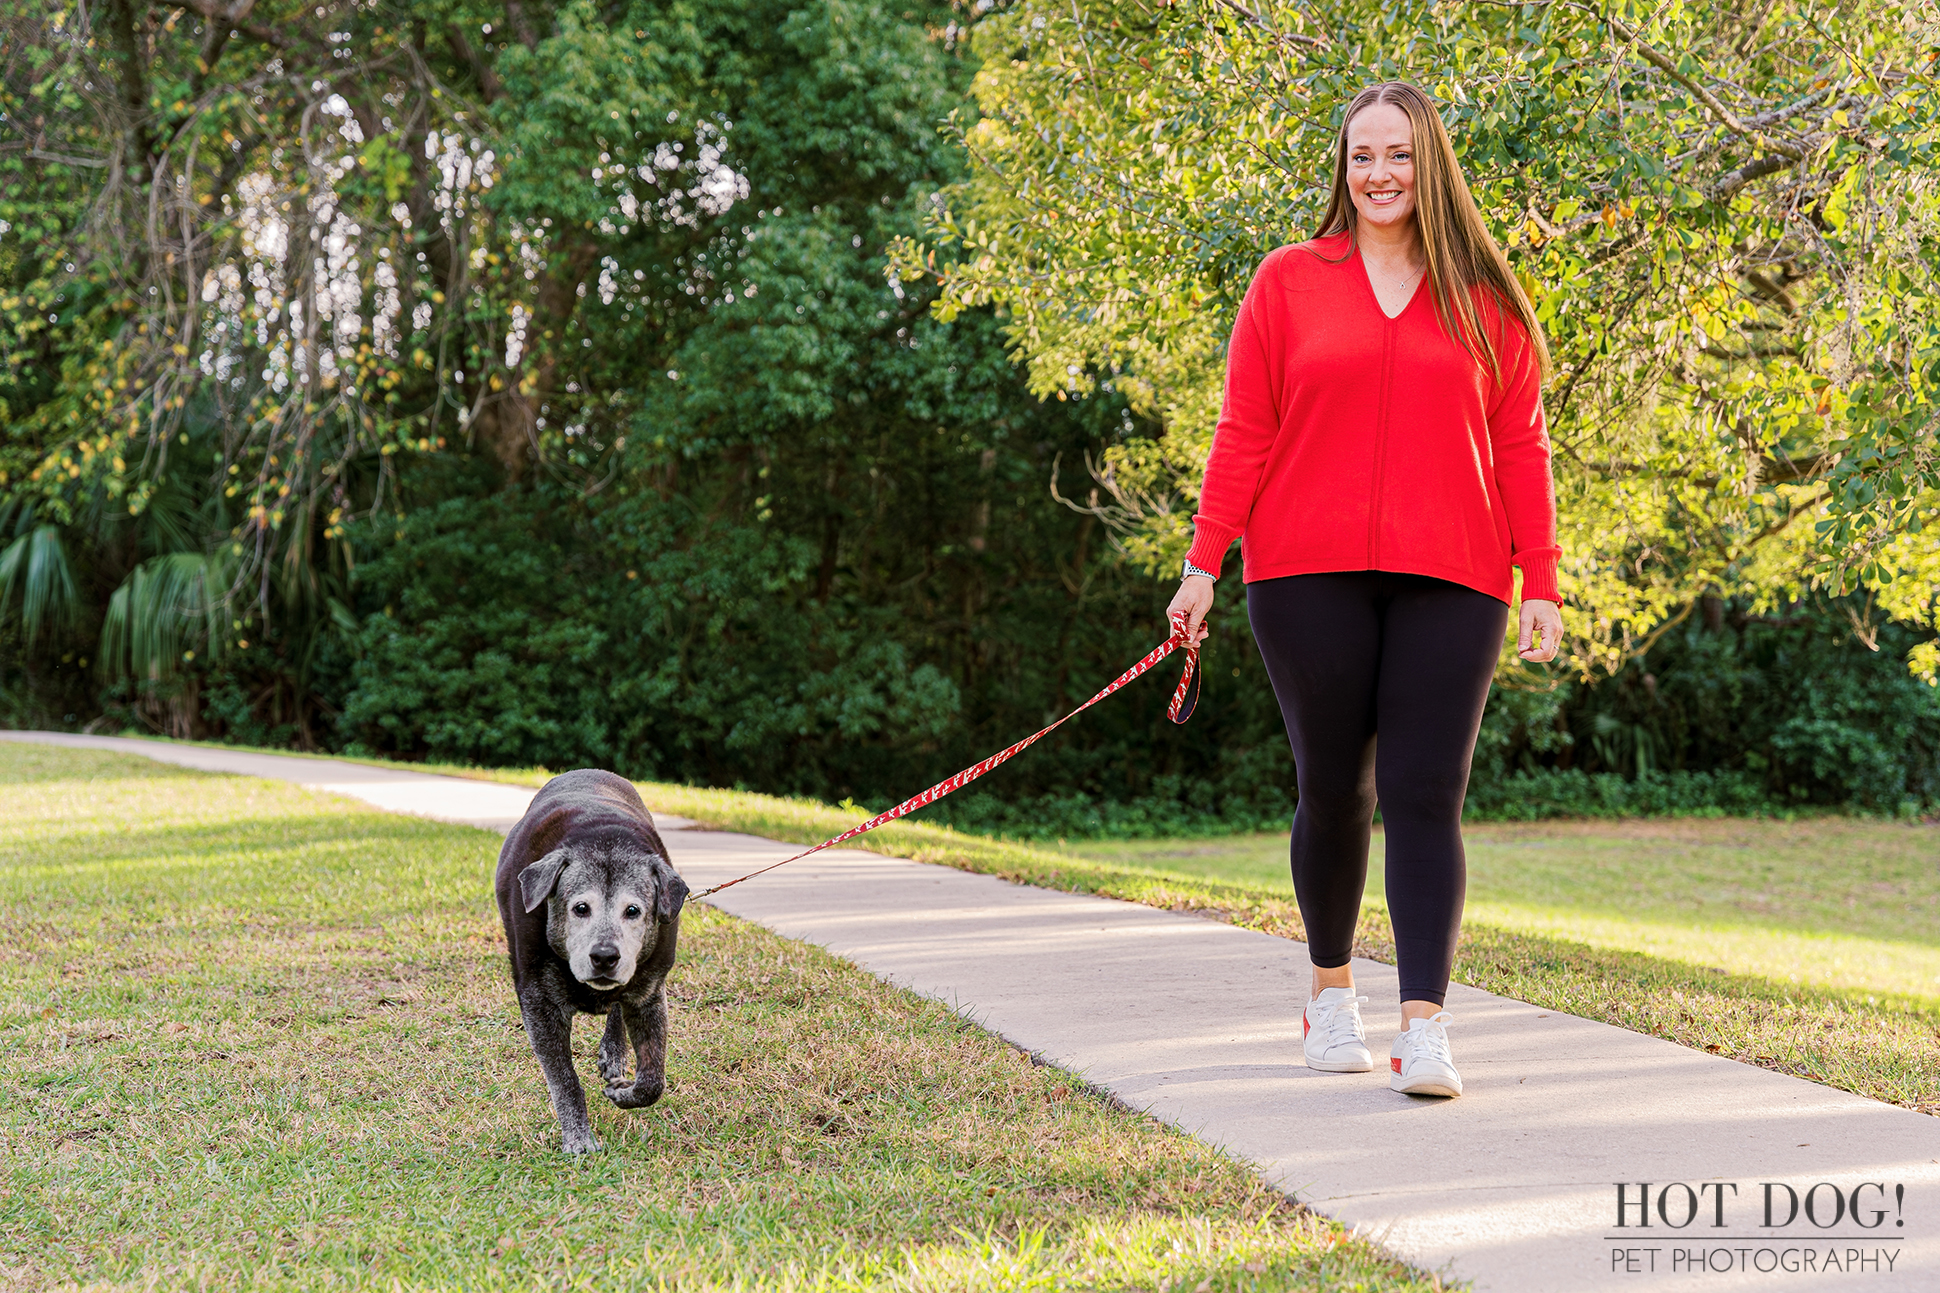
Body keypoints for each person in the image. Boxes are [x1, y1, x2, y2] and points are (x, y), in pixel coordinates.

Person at [1165, 81, 1563, 1098]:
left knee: (1426, 793)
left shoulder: (1485, 295)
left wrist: (1540, 579)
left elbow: (1517, 443)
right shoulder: (1287, 281)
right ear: (1340, 170)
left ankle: (1423, 1025)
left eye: (1396, 155)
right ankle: (1329, 994)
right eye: (1360, 157)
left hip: (1455, 574)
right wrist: (1201, 564)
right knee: (1333, 791)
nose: (1378, 174)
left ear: (1429, 164)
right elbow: (1241, 429)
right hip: (1303, 573)